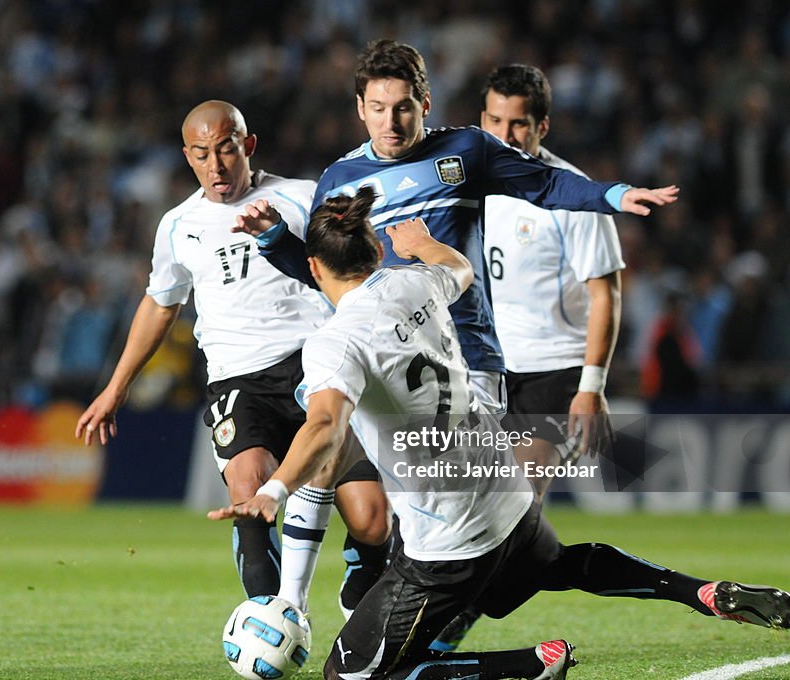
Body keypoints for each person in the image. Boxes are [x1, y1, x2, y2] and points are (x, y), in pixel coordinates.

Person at [211, 187, 790, 680]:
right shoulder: (415, 285)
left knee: (349, 674)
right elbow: (459, 268)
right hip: (506, 494)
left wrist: (274, 489)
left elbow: (324, 425)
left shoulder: (333, 343)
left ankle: (526, 665)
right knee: (565, 565)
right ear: (376, 249)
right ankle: (701, 592)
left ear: (313, 269)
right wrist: (423, 246)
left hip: (447, 541)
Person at [232, 38, 677, 620]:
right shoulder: (339, 179)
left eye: (403, 109)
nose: (391, 122)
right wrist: (274, 242)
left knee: (458, 513)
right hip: (380, 359)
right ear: (359, 109)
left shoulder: (466, 152)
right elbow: (323, 271)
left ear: (425, 104)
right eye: (378, 108)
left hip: (463, 362)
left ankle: (428, 613)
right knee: (328, 454)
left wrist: (612, 195)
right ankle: (296, 603)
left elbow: (544, 183)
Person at [75, 100, 391, 603]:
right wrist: (116, 388)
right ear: (187, 156)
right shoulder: (178, 226)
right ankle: (270, 620)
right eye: (201, 154)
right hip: (238, 380)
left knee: (373, 519)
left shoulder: (301, 198)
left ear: (248, 146)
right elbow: (161, 305)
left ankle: (367, 577)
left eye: (225, 150)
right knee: (249, 491)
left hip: (317, 367)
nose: (216, 166)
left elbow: (352, 269)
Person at [480, 64, 624, 496]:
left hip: (551, 369)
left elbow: (606, 295)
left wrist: (591, 388)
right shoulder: (464, 186)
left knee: (519, 500)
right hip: (484, 369)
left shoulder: (572, 194)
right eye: (495, 121)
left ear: (541, 125)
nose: (505, 135)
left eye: (519, 123)